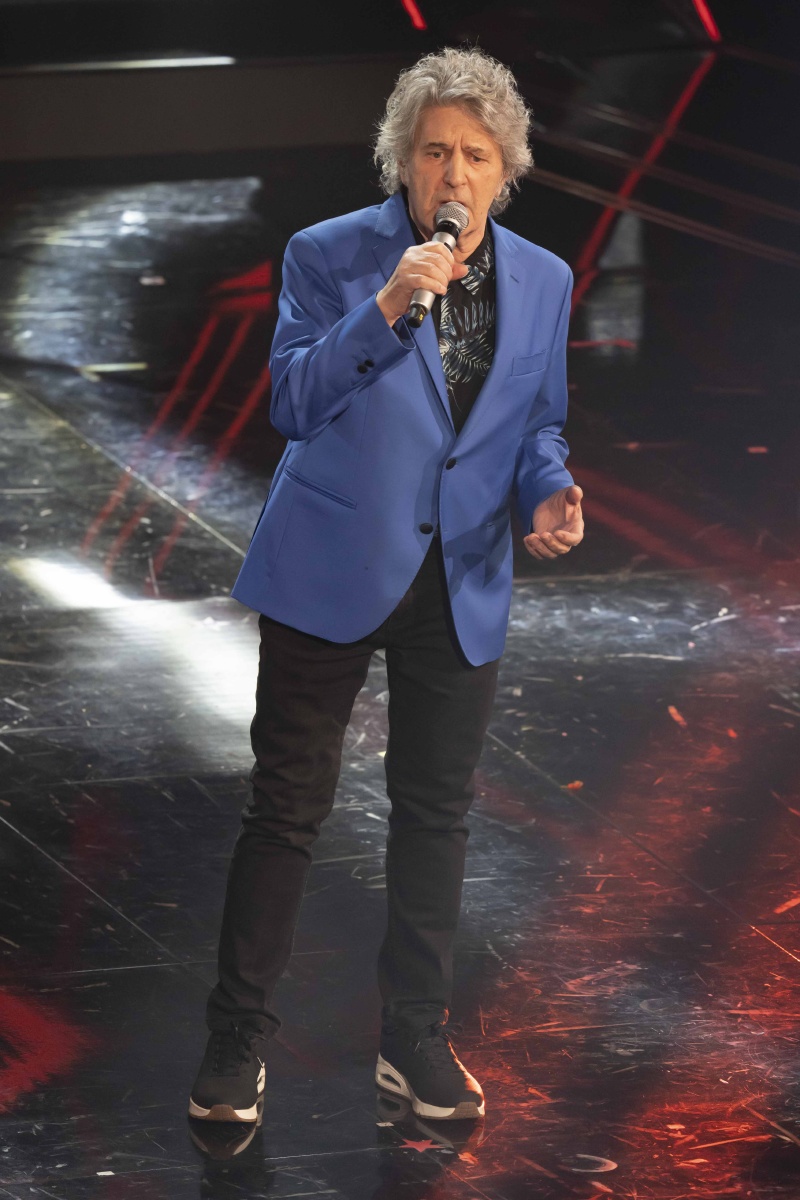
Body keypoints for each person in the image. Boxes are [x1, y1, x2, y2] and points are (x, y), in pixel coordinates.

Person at [188, 45, 584, 1126]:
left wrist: (548, 491)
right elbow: (293, 402)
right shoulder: (329, 255)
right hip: (332, 566)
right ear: (401, 163)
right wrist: (386, 306)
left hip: (459, 575)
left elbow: (536, 422)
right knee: (286, 811)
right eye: (433, 152)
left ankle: (414, 1038)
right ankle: (235, 1039)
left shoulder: (545, 280)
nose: (453, 174)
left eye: (474, 155)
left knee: (434, 818)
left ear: (505, 170)